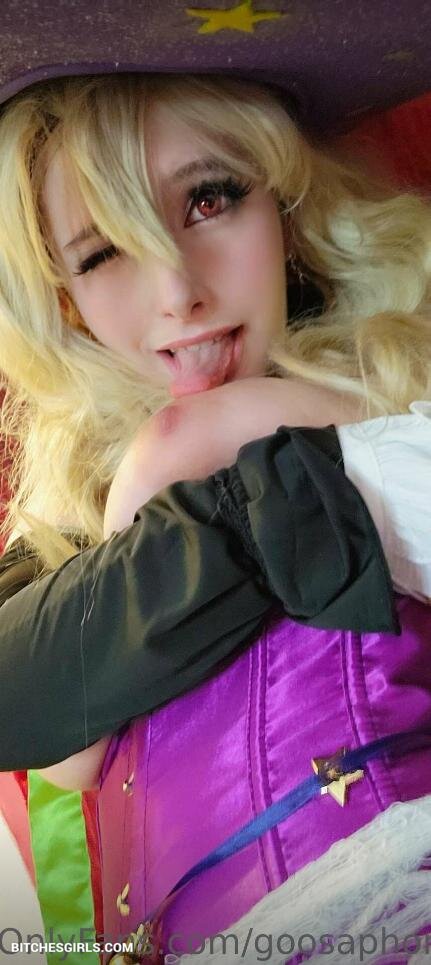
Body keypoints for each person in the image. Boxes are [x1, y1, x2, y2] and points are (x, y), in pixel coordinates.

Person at [0, 32, 430, 965]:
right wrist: (182, 463)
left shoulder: (413, 392)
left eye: (209, 199)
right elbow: (42, 722)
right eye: (104, 251)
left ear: (286, 204)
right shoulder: (58, 527)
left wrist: (223, 432)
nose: (177, 292)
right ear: (65, 300)